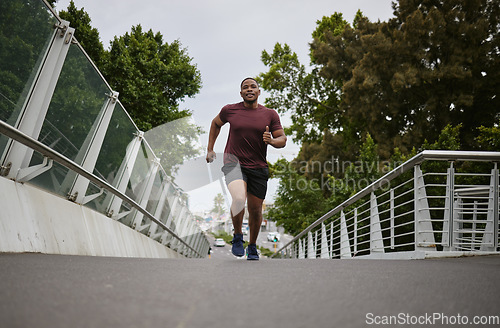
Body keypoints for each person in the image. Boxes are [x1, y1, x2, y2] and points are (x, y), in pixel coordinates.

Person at [206, 77, 287, 260]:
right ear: (241, 93)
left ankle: (252, 246)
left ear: (259, 92)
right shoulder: (230, 110)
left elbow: (282, 139)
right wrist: (210, 149)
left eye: (253, 87)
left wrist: (272, 141)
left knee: (256, 210)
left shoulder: (270, 114)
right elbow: (215, 124)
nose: (249, 89)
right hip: (233, 163)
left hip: (258, 167)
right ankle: (237, 236)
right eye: (245, 87)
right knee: (239, 198)